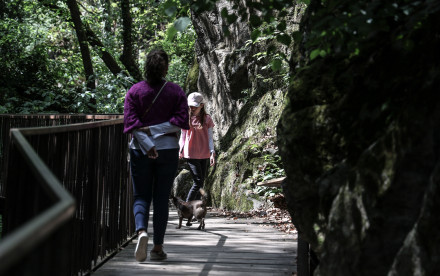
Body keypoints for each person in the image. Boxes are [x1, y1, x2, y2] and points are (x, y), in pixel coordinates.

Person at [123, 49, 189, 262]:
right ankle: (157, 248)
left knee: (141, 196)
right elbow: (181, 120)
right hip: (168, 150)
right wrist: (157, 132)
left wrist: (147, 140)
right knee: (161, 198)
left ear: (146, 67)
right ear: (166, 68)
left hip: (140, 151)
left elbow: (131, 124)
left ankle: (141, 231)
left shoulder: (134, 91)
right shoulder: (176, 91)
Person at [179, 92, 215, 202]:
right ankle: (186, 207)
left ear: (202, 105)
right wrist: (180, 149)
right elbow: (183, 136)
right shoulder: (186, 118)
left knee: (200, 182)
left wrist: (212, 152)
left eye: (195, 105)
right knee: (198, 181)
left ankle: (195, 210)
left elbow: (210, 137)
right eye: (190, 105)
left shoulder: (207, 119)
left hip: (204, 153)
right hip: (190, 153)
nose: (192, 108)